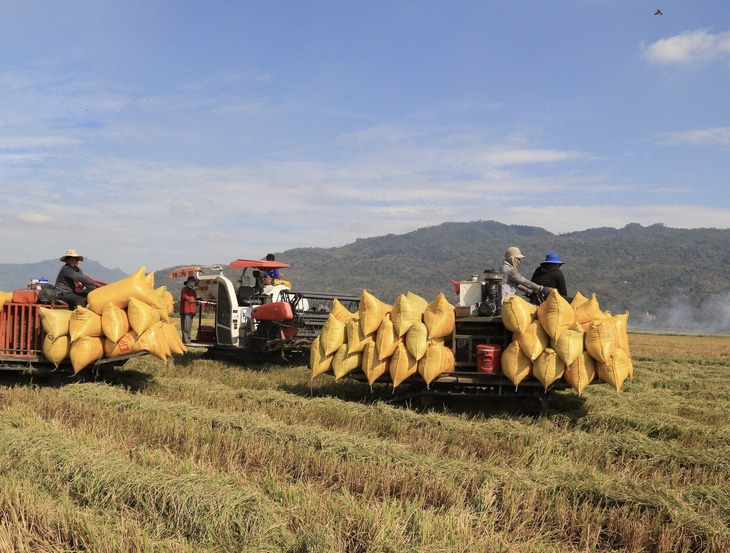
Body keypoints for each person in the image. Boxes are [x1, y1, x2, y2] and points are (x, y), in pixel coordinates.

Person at [180, 276, 198, 344]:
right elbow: (185, 296)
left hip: (192, 310)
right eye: (192, 281)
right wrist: (192, 300)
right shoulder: (185, 289)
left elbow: (195, 298)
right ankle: (185, 340)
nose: (193, 282)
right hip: (186, 310)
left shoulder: (193, 290)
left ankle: (188, 339)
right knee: (186, 326)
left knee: (189, 326)